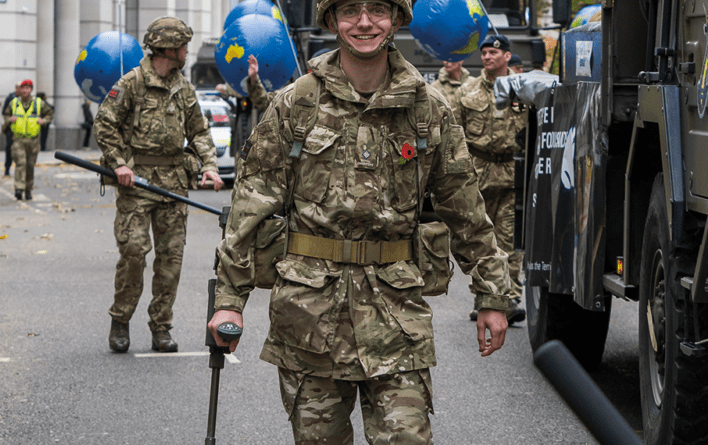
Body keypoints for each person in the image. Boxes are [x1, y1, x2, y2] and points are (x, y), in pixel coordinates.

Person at [208, 1, 510, 443]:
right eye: (350, 10)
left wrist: (492, 295)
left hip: (397, 316)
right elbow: (249, 207)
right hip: (309, 318)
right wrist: (229, 300)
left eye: (377, 10)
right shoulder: (295, 105)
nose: (364, 22)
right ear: (331, 20)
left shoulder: (429, 110)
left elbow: (465, 210)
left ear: (397, 19)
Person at [94, 16, 224, 354]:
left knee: (171, 260)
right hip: (136, 182)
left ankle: (161, 326)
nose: (186, 51)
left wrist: (209, 166)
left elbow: (198, 131)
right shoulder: (132, 82)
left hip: (174, 184)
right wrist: (118, 163)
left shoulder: (184, 87)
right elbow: (105, 124)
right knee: (134, 253)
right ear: (167, 48)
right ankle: (120, 319)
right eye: (182, 46)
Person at [452, 35, 527, 323]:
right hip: (478, 175)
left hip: (511, 175)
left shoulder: (522, 91)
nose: (487, 57)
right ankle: (483, 296)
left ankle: (510, 297)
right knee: (482, 241)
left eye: (493, 52)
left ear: (507, 56)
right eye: (484, 52)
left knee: (509, 243)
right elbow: (455, 134)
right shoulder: (467, 90)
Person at [3, 79, 54, 201]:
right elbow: (6, 115)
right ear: (20, 89)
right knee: (21, 163)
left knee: (30, 166)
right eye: (23, 88)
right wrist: (10, 120)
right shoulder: (13, 103)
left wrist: (44, 121)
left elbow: (50, 113)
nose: (25, 90)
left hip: (33, 140)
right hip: (18, 139)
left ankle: (28, 189)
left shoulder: (38, 103)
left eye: (28, 88)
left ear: (31, 89)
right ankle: (19, 189)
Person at [1, 82, 21, 178]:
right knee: (9, 150)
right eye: (19, 88)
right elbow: (4, 113)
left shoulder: (27, 100)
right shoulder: (10, 98)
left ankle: (20, 171)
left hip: (22, 130)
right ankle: (7, 170)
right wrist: (10, 119)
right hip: (11, 129)